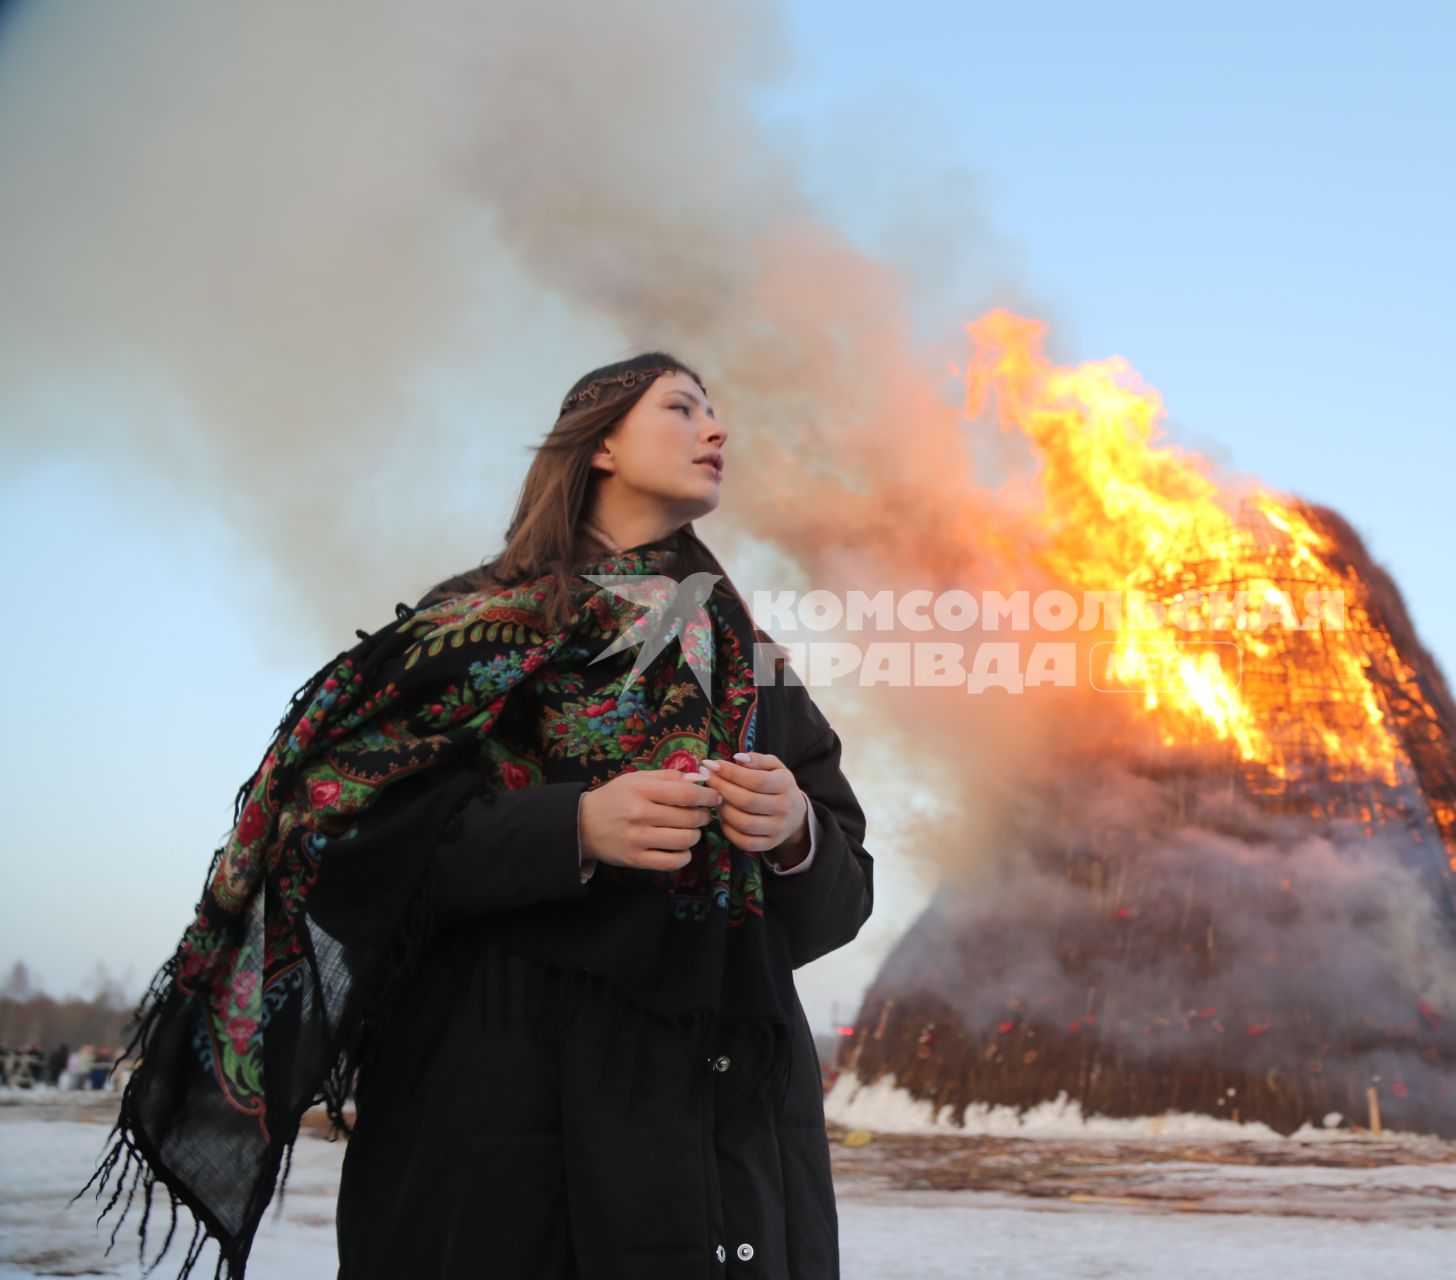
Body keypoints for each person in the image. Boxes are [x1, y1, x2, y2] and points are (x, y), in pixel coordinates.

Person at [88, 354, 874, 1280]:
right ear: (604, 445)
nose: (717, 429)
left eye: (715, 412)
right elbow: (338, 835)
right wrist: (570, 830)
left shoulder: (751, 662)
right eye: (682, 407)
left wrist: (795, 834)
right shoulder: (471, 627)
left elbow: (842, 895)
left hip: (728, 1138)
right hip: (500, 1117)